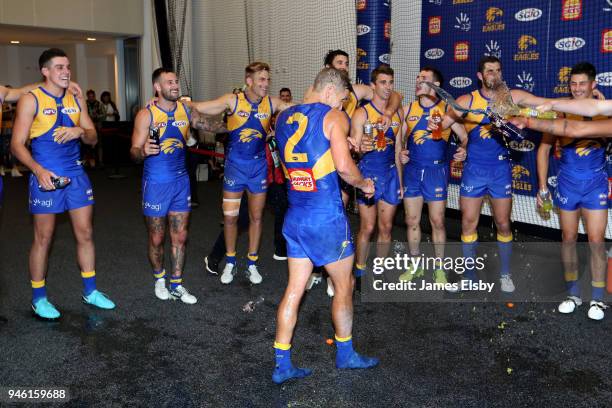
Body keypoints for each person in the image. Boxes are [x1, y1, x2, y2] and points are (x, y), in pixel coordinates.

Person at [272, 67, 378, 384]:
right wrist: (365, 184)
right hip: (326, 218)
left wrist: (341, 147)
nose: (343, 106)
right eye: (343, 99)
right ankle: (346, 355)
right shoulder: (334, 116)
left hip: (296, 216)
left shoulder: (283, 117)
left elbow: (309, 153)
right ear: (330, 91)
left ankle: (282, 363)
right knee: (345, 287)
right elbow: (345, 169)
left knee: (294, 289)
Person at [11, 48, 115, 319]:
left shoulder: (75, 99)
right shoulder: (30, 100)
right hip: (46, 176)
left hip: (77, 176)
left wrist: (79, 130)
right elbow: (16, 145)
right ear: (45, 71)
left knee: (86, 233)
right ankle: (38, 298)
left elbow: (92, 137)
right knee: (43, 238)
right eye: (59, 67)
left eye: (67, 66)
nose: (66, 71)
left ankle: (90, 291)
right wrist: (37, 170)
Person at [433, 56, 549, 292]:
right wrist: (441, 114)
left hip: (500, 171)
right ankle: (470, 275)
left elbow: (545, 103)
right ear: (480, 75)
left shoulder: (511, 97)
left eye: (497, 70)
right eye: (489, 71)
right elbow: (440, 127)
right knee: (468, 223)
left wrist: (579, 102)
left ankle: (505, 274)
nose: (494, 74)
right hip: (474, 171)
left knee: (504, 223)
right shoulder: (467, 100)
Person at [307, 49, 404, 296]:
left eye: (347, 63)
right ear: (328, 68)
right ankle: (317, 269)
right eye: (339, 63)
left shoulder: (354, 91)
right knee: (326, 218)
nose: (344, 67)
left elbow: (395, 95)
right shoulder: (315, 94)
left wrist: (388, 114)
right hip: (325, 161)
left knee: (341, 220)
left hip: (350, 160)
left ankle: (338, 273)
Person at [191, 62, 294, 285]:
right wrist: (180, 103)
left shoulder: (272, 103)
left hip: (258, 169)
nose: (266, 84)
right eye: (262, 80)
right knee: (230, 218)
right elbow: (204, 106)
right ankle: (230, 261)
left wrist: (326, 103)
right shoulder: (233, 100)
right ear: (249, 81)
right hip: (234, 169)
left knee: (257, 217)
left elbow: (299, 109)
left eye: (268, 79)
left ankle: (252, 263)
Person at [131, 68, 225, 304]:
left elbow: (209, 125)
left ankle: (176, 284)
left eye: (176, 81)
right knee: (156, 238)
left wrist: (237, 117)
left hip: (181, 183)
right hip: (155, 184)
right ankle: (159, 279)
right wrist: (142, 152)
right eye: (169, 82)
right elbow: (133, 152)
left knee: (180, 237)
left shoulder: (185, 109)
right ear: (157, 87)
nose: (175, 85)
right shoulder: (146, 115)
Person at [534, 62, 608, 321]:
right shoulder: (560, 112)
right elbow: (543, 150)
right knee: (568, 238)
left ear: (592, 85)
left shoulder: (603, 113)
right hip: (566, 184)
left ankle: (598, 300)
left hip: (595, 185)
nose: (577, 89)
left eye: (582, 84)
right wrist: (542, 187)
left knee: (596, 241)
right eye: (572, 84)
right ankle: (573, 294)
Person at [399, 67, 467, 284]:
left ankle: (439, 268)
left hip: (436, 172)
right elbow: (400, 142)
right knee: (411, 220)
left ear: (436, 85)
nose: (418, 80)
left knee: (437, 221)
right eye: (417, 77)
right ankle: (415, 265)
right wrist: (401, 152)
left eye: (424, 79)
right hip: (412, 172)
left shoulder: (447, 110)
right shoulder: (407, 109)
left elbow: (465, 137)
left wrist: (464, 149)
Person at [349, 65, 403, 287]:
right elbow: (354, 148)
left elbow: (399, 149)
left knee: (386, 228)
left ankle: (380, 270)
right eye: (383, 82)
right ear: (373, 85)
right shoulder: (362, 113)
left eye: (390, 82)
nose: (387, 87)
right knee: (367, 227)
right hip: (369, 174)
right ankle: (360, 271)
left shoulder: (397, 112)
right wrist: (362, 147)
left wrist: (400, 181)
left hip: (390, 174)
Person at [84, 89, 106, 168]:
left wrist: (96, 117)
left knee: (99, 145)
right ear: (87, 96)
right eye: (89, 97)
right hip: (87, 127)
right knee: (86, 145)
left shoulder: (99, 104)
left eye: (92, 96)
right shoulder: (84, 104)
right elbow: (82, 115)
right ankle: (87, 162)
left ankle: (100, 161)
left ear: (94, 96)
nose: (91, 98)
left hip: (97, 127)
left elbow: (104, 115)